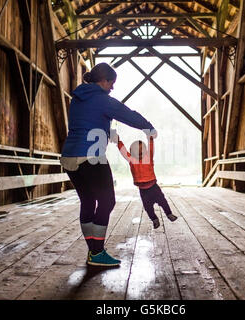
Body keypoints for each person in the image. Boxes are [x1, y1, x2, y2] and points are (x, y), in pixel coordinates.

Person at [60, 63, 156, 267]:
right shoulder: (102, 99)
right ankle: (97, 253)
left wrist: (106, 133)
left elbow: (87, 121)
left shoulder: (78, 97)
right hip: (91, 157)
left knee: (87, 201)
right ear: (103, 81)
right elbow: (127, 114)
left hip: (69, 157)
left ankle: (93, 251)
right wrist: (149, 127)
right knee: (107, 201)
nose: (112, 87)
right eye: (111, 83)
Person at [113, 132, 177, 229]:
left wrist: (150, 138)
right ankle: (154, 220)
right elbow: (124, 151)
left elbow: (151, 148)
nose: (139, 152)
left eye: (141, 149)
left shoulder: (148, 157)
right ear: (132, 152)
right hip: (143, 191)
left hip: (154, 188)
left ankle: (169, 214)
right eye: (136, 150)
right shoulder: (131, 159)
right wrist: (118, 142)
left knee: (163, 202)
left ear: (145, 150)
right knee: (148, 208)